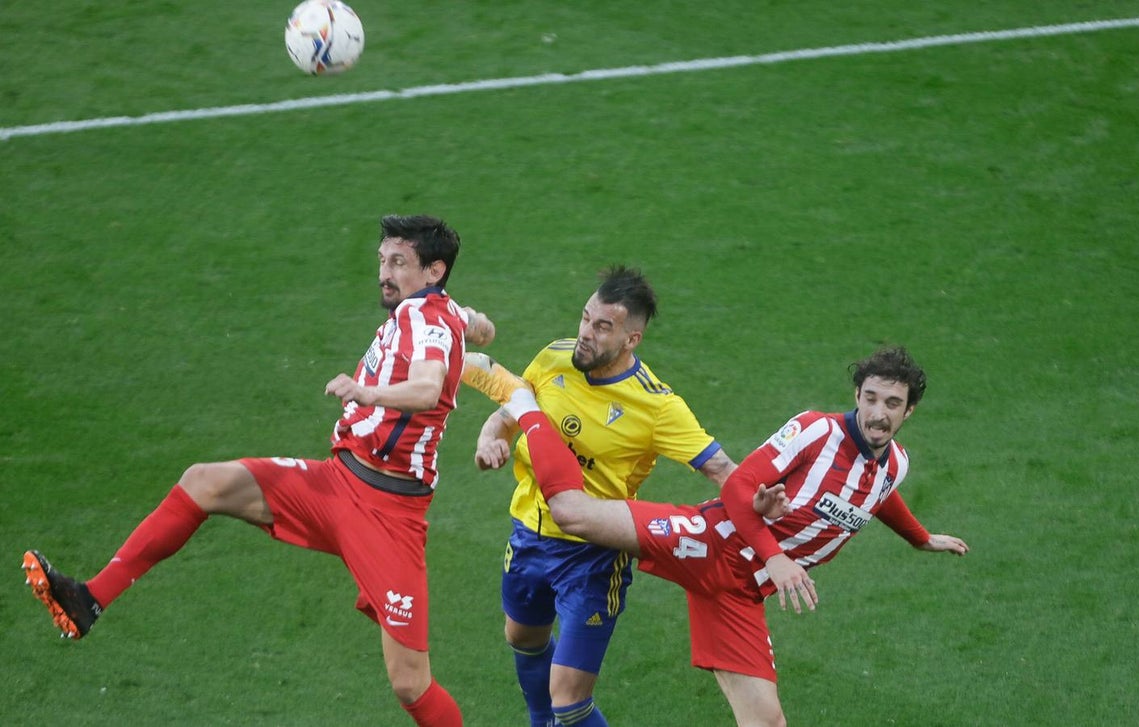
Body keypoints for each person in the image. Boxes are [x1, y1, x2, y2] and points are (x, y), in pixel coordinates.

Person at [22, 214, 496, 727]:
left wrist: (370, 392)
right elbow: (468, 326)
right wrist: (473, 322)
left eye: (398, 263)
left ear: (433, 270)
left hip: (388, 514)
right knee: (205, 482)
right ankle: (89, 599)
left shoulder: (424, 319)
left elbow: (427, 388)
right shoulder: (432, 308)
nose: (383, 272)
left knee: (409, 683)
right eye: (382, 260)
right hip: (336, 484)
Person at [463, 345, 969, 727]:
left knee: (767, 722)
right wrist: (774, 556)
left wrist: (920, 538)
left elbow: (878, 494)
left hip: (741, 593)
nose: (879, 413)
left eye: (893, 403)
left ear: (909, 412)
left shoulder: (894, 466)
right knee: (572, 512)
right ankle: (523, 401)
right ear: (857, 396)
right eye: (872, 398)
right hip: (707, 540)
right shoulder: (817, 430)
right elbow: (741, 485)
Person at [467, 266, 738, 727]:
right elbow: (513, 407)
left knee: (570, 702)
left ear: (631, 339)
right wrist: (489, 437)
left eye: (601, 327)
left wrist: (763, 512)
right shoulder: (555, 357)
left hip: (592, 556)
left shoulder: (656, 405)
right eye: (585, 318)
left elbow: (722, 469)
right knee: (524, 639)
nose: (584, 335)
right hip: (529, 534)